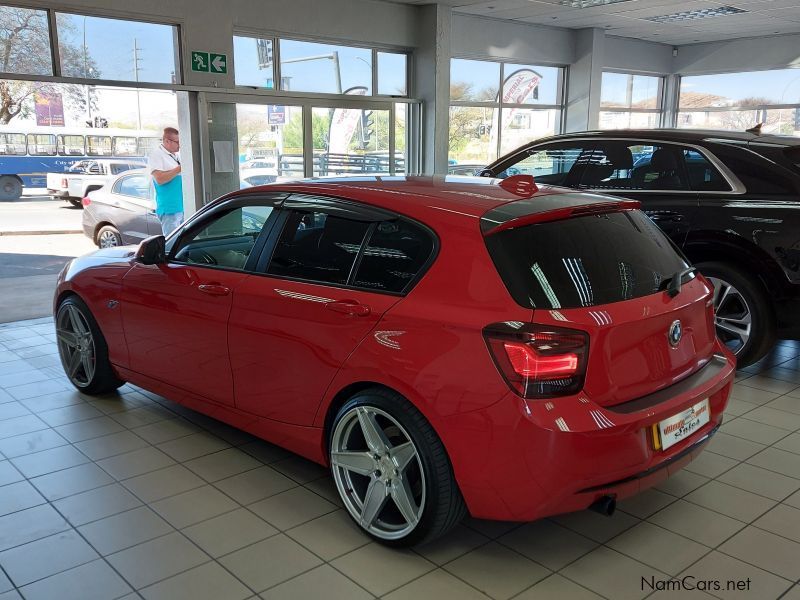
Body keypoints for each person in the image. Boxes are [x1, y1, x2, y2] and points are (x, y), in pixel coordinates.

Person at [147, 127, 183, 235]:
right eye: (177, 142)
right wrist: (179, 169)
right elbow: (159, 179)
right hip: (170, 208)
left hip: (181, 206)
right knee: (172, 244)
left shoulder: (175, 155)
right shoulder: (157, 155)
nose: (180, 145)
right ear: (167, 141)